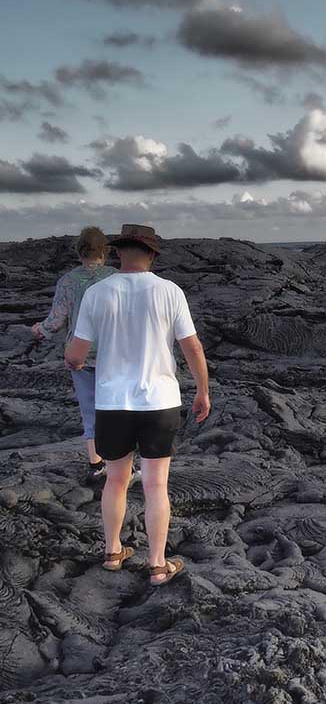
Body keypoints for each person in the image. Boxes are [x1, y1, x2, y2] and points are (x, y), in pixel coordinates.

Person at [65, 224, 210, 587]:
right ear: (152, 255)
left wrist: (75, 362)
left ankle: (113, 552)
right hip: (160, 401)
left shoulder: (98, 293)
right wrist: (202, 390)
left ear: (118, 252)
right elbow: (192, 347)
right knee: (155, 485)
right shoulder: (169, 291)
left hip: (113, 402)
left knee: (115, 480)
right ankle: (158, 565)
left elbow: (76, 353)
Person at [32, 227, 116, 484]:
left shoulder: (68, 281)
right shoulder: (115, 278)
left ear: (79, 252)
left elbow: (56, 320)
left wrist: (39, 330)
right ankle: (122, 463)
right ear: (106, 251)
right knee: (117, 408)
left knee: (89, 409)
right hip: (114, 353)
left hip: (80, 355)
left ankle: (96, 463)